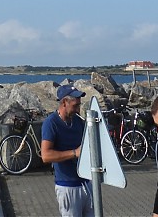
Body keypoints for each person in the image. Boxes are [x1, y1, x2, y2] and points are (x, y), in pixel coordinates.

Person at [40, 84, 94, 217]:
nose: (78, 109)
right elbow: (46, 155)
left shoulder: (78, 122)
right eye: (75, 106)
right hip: (68, 186)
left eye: (79, 105)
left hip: (86, 183)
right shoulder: (51, 123)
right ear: (64, 102)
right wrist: (75, 153)